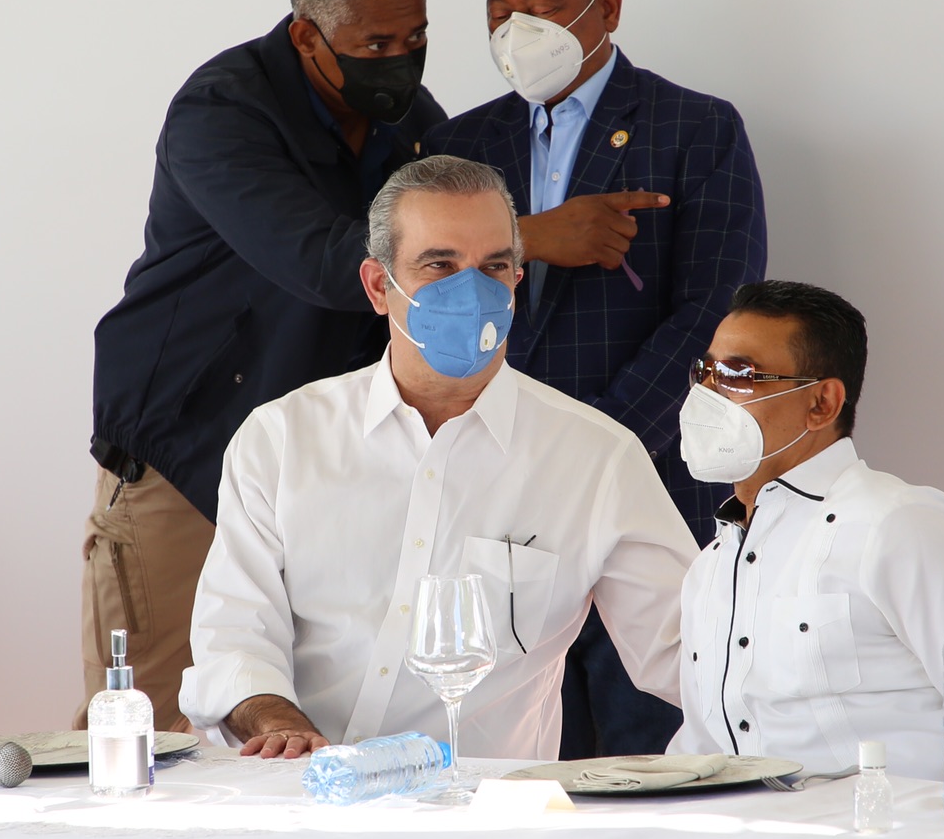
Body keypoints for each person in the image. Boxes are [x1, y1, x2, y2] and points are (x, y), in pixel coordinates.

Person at [179, 155, 699, 760]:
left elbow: (688, 654)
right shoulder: (282, 439)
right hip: (299, 793)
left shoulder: (596, 459)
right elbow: (234, 637)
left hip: (480, 808)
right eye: (440, 265)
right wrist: (282, 727)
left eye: (494, 266)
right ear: (379, 287)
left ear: (516, 280)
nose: (471, 292)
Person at [82, 0, 446, 729]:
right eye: (376, 44)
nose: (401, 61)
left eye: (416, 38)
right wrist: (532, 233)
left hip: (317, 468)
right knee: (149, 729)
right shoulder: (222, 111)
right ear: (308, 36)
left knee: (300, 721)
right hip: (186, 458)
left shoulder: (410, 120)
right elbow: (324, 262)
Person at [426, 0, 767, 758]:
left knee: (653, 759)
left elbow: (714, 316)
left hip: (648, 489)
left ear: (606, 7)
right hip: (499, 503)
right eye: (499, 11)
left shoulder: (697, 130)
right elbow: (432, 299)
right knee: (514, 763)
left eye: (541, 7)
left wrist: (591, 447)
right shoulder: (460, 146)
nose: (516, 30)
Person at [667, 282, 944, 780]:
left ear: (821, 403)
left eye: (738, 374)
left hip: (887, 823)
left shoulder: (900, 526)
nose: (707, 396)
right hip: (736, 822)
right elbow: (701, 746)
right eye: (704, 372)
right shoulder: (711, 564)